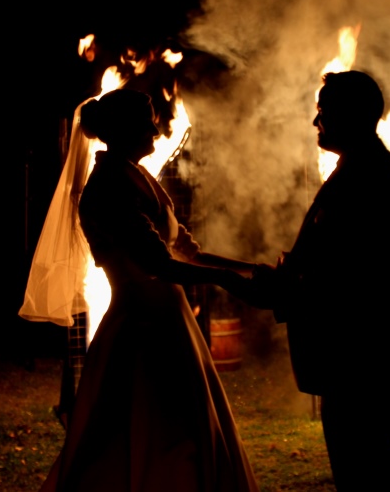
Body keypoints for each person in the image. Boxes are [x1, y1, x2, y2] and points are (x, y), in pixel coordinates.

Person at [39, 88, 259, 492]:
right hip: (141, 332)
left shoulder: (137, 177)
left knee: (187, 431)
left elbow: (186, 251)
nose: (156, 131)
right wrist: (229, 281)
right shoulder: (107, 188)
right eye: (147, 122)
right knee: (152, 434)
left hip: (170, 325)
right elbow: (157, 264)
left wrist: (249, 269)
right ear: (122, 129)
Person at [242, 71, 390, 491]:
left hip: (363, 358)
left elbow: (351, 277)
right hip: (355, 359)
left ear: (353, 115)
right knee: (363, 470)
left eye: (323, 112)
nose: (316, 122)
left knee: (369, 472)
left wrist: (282, 284)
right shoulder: (358, 169)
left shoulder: (370, 178)